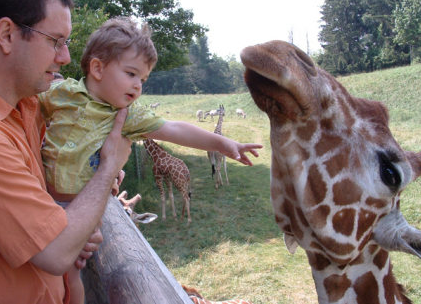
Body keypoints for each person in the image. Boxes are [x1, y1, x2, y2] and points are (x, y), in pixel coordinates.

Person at [38, 17, 263, 303]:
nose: (138, 85)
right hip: (43, 202)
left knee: (72, 276)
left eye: (143, 79)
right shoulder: (59, 93)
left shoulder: (128, 115)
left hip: (84, 211)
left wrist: (223, 143)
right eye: (131, 73)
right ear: (97, 68)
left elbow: (173, 128)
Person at [0, 0, 132, 303]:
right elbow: (55, 251)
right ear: (6, 35)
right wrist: (107, 167)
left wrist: (70, 219)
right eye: (55, 41)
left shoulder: (29, 108)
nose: (64, 57)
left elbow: (47, 206)